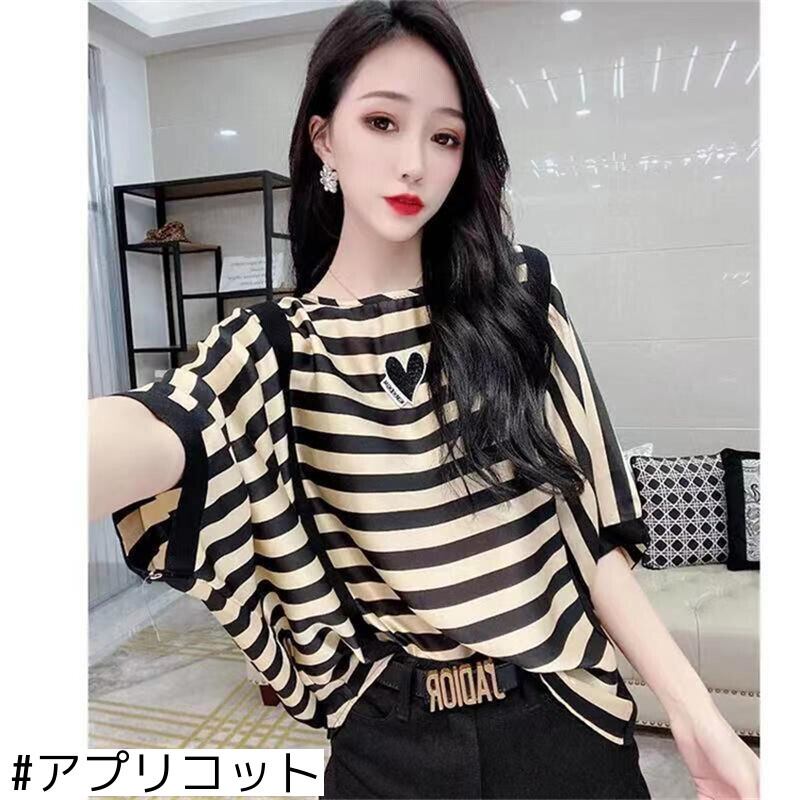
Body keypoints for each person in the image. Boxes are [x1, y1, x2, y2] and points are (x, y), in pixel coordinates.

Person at [88, 1, 760, 798]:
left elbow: (590, 532)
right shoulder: (273, 347)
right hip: (388, 745)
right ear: (324, 137)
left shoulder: (519, 299)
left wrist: (695, 712)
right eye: (382, 122)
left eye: (444, 137)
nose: (414, 163)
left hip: (563, 722)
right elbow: (162, 429)